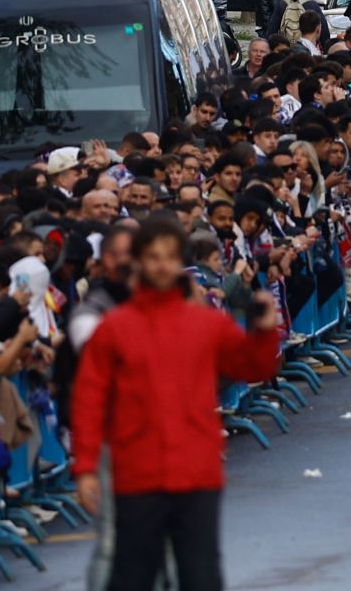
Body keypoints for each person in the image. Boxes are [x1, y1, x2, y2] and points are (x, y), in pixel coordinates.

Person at [71, 215, 281, 591]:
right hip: (137, 473)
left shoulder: (205, 324)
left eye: (169, 256)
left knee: (200, 574)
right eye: (153, 256)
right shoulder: (114, 329)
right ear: (139, 262)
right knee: (132, 575)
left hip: (196, 470)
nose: (162, 264)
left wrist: (264, 332)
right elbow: (90, 399)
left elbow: (253, 365)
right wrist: (86, 467)